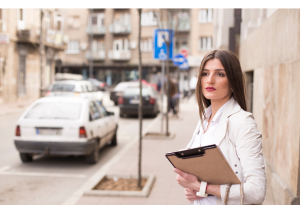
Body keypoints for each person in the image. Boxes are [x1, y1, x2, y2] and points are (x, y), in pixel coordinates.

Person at [173, 50, 266, 205]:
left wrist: (202, 187)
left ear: (232, 82)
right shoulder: (204, 120)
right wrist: (194, 186)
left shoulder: (243, 122)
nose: (210, 80)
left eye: (220, 74)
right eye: (205, 73)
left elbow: (257, 192)